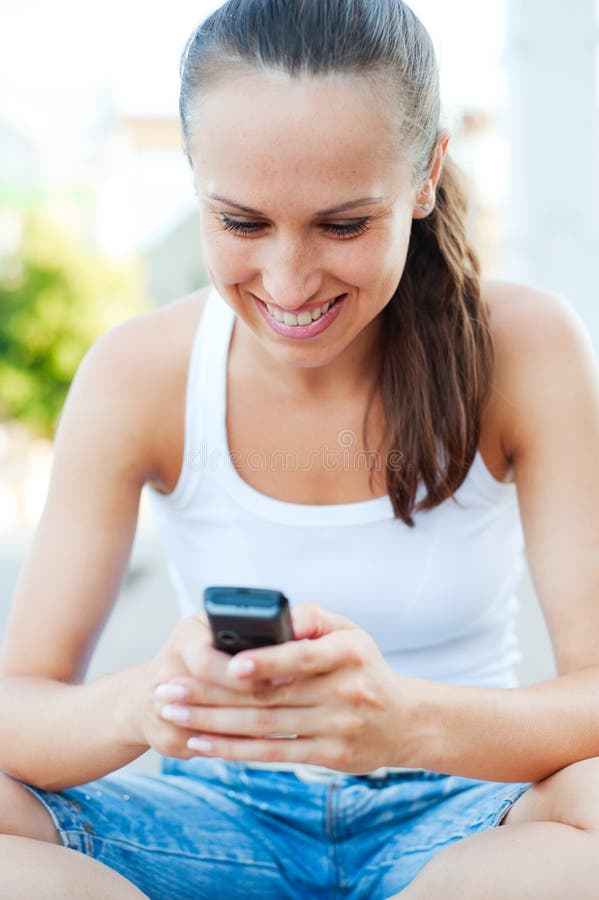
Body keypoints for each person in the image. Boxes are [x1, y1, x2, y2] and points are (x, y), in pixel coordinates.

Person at [1, 0, 599, 897]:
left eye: (343, 225)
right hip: (212, 820)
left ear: (426, 174)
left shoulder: (522, 348)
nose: (286, 283)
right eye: (241, 224)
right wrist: (150, 699)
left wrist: (401, 723)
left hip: (459, 815)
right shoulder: (141, 371)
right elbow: (20, 707)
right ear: (196, 178)